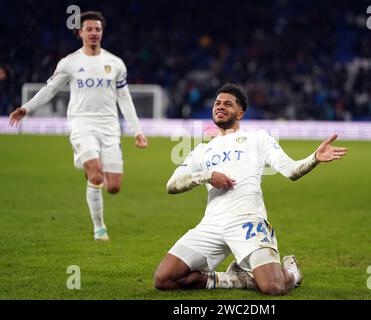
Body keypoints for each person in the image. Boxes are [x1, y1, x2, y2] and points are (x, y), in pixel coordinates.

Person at [154, 83, 348, 295]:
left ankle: (292, 273)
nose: (220, 107)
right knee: (164, 279)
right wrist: (207, 175)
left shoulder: (258, 138)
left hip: (247, 219)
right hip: (211, 224)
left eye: (228, 104)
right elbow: (171, 185)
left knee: (273, 287)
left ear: (240, 113)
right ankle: (237, 279)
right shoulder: (202, 151)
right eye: (217, 103)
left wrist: (314, 158)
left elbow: (291, 170)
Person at [9, 11, 148, 241]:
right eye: (89, 29)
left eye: (97, 29)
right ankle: (99, 227)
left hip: (110, 127)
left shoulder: (115, 63)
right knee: (96, 176)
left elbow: (124, 98)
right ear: (80, 32)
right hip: (81, 123)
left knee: (113, 186)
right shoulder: (69, 63)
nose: (94, 33)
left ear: (102, 32)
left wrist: (137, 131)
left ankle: (88, 166)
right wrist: (26, 108)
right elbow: (50, 89)